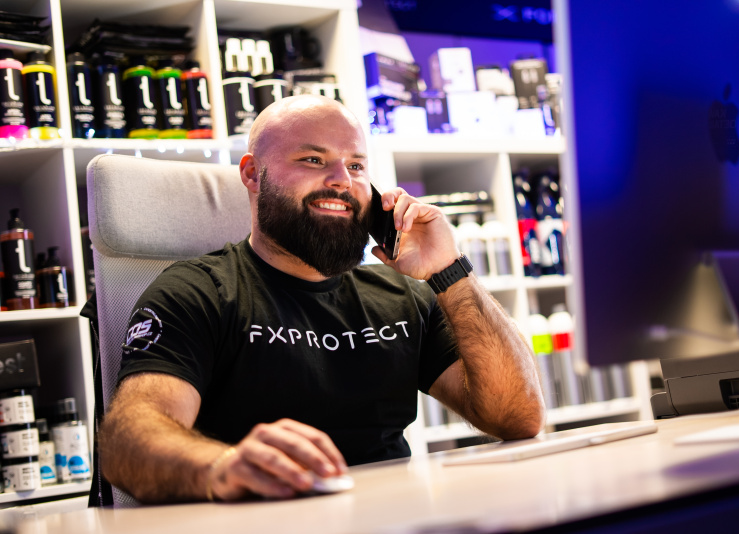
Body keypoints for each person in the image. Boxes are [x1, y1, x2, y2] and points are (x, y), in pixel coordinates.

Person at [99, 95, 545, 503]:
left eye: (356, 166)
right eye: (313, 159)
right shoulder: (197, 293)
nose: (341, 181)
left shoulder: (403, 298)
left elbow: (518, 418)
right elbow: (127, 443)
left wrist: (448, 270)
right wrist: (223, 467)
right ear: (252, 174)